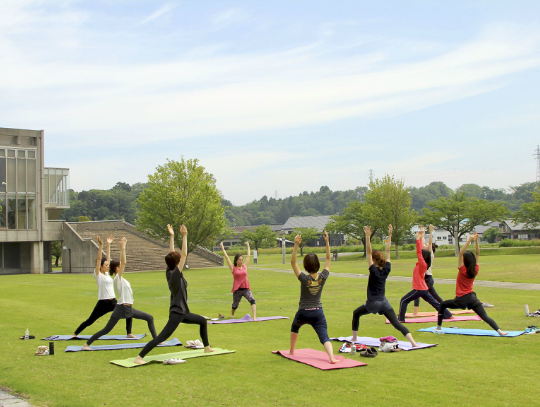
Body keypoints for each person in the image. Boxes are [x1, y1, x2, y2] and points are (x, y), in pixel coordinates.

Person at [134, 225, 214, 364]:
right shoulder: (176, 274)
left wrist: (171, 236)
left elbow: (172, 254)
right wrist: (184, 235)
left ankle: (206, 347)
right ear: (177, 263)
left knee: (202, 321)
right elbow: (184, 254)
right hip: (177, 313)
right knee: (162, 337)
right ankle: (139, 357)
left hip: (183, 311)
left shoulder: (169, 271)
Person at [82, 237, 158, 350]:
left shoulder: (120, 278)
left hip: (129, 308)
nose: (121, 267)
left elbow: (119, 262)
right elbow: (124, 262)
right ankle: (86, 345)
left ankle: (156, 341)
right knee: (106, 330)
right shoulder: (118, 278)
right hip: (121, 307)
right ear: (117, 269)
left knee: (149, 318)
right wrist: (122, 247)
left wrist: (110, 245)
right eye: (119, 266)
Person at [352, 225, 418, 347]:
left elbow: (368, 251)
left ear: (373, 260)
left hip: (373, 303)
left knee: (356, 313)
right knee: (396, 324)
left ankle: (354, 337)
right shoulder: (387, 268)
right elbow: (388, 251)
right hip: (384, 302)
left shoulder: (373, 270)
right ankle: (413, 342)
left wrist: (367, 237)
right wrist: (390, 234)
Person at [434, 233, 507, 335]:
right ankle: (500, 331)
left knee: (442, 305)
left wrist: (469, 240)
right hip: (472, 298)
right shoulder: (475, 270)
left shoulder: (462, 269)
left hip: (461, 300)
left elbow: (460, 253)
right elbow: (477, 254)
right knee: (485, 316)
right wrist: (476, 240)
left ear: (465, 261)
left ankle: (438, 327)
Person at [289, 231, 340, 364]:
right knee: (324, 336)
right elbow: (328, 259)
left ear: (305, 266)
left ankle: (292, 351)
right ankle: (332, 357)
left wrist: (296, 245)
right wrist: (327, 242)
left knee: (295, 327)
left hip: (303, 312)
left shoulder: (304, 279)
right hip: (318, 312)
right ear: (317, 264)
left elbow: (293, 262)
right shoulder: (322, 277)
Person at [72, 235, 134, 338]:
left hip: (113, 301)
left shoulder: (107, 275)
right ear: (100, 266)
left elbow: (107, 258)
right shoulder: (98, 275)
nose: (107, 266)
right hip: (103, 302)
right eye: (105, 265)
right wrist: (101, 245)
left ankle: (129, 333)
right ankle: (75, 334)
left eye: (107, 265)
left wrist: (108, 244)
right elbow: (99, 258)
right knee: (91, 320)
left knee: (128, 310)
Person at [398, 227, 453, 321]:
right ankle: (447, 314)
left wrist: (418, 239)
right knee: (434, 301)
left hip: (420, 287)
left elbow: (419, 251)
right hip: (423, 287)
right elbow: (421, 250)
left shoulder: (423, 263)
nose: (425, 245)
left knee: (404, 300)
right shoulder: (423, 263)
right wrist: (421, 234)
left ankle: (401, 319)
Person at [220, 241, 257, 321]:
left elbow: (248, 256)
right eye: (239, 260)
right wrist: (222, 247)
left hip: (246, 289)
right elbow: (226, 258)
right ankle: (232, 314)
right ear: (236, 261)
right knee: (235, 305)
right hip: (237, 290)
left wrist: (248, 246)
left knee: (252, 300)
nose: (241, 261)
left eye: (242, 260)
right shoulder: (233, 268)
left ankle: (254, 317)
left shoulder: (244, 267)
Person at [412, 225, 445, 315]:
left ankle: (415, 313)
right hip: (425, 278)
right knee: (435, 296)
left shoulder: (430, 254)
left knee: (417, 293)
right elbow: (422, 243)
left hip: (428, 278)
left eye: (426, 245)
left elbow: (429, 243)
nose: (425, 245)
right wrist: (422, 232)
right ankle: (445, 309)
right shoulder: (425, 254)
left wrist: (430, 232)